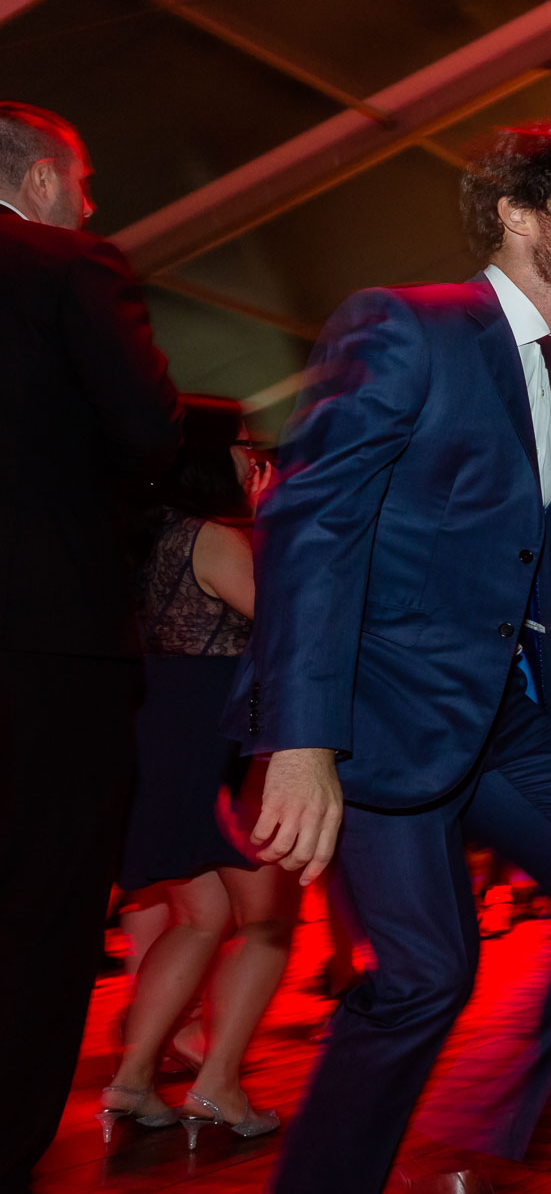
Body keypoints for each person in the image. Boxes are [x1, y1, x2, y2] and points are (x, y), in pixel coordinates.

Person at [227, 121, 551, 1193]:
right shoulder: (406, 328)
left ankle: (485, 1112)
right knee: (427, 979)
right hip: (382, 711)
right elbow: (313, 528)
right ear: (519, 219)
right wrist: (301, 739)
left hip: (516, 713)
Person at [0, 102, 184, 1187]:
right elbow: (148, 435)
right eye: (84, 178)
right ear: (36, 182)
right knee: (41, 902)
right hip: (42, 634)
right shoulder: (65, 266)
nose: (93, 202)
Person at [100, 397, 297, 1147]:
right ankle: (217, 1087)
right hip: (215, 745)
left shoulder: (143, 539)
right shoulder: (214, 539)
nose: (257, 457)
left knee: (202, 916)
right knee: (271, 922)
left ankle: (132, 1080)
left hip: (164, 735)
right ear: (213, 456)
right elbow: (288, 634)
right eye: (249, 444)